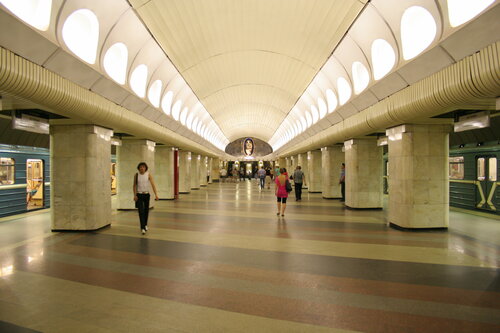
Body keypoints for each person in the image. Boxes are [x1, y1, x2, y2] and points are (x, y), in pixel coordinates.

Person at [133, 162, 159, 235]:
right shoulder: (136, 175)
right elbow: (134, 185)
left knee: (146, 211)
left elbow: (153, 185)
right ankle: (142, 228)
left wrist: (156, 194)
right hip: (139, 195)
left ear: (145, 168)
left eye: (143, 167)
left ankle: (145, 224)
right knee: (141, 211)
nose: (142, 168)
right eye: (140, 167)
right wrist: (134, 195)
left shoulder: (148, 175)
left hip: (146, 195)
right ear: (138, 168)